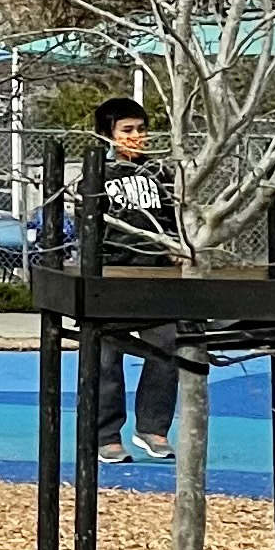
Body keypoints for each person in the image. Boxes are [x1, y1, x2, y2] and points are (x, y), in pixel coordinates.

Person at [77, 95, 188, 464]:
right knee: (106, 358)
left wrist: (176, 248)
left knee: (168, 347)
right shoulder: (97, 175)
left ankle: (152, 428)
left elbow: (173, 220)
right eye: (127, 130)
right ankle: (106, 435)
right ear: (107, 135)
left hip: (155, 277)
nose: (137, 136)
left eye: (142, 129)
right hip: (110, 278)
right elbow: (87, 227)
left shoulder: (158, 174)